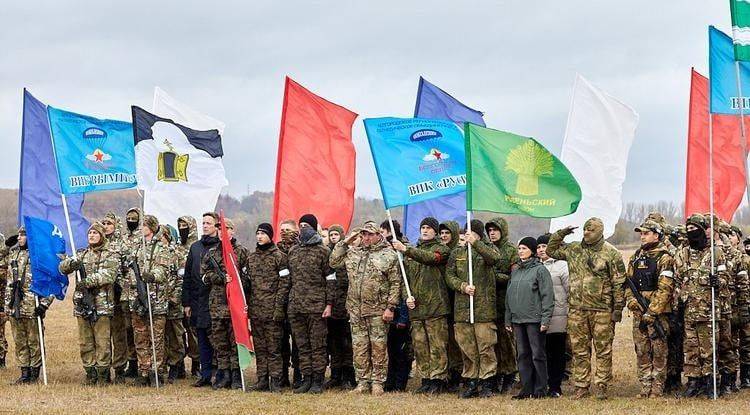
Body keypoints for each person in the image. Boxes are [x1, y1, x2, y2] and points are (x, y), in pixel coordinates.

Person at [547, 217, 626, 400]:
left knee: (603, 350)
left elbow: (619, 283)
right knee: (579, 350)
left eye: (590, 230)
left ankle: (601, 386)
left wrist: (617, 309)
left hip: (602, 311)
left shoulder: (611, 253)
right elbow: (551, 250)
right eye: (584, 229)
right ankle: (581, 386)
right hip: (577, 310)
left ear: (600, 232)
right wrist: (560, 234)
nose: (586, 233)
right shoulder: (574, 249)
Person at [330, 221, 401, 396]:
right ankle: (362, 381)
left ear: (379, 235)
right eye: (364, 234)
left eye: (370, 234)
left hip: (378, 309)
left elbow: (395, 283)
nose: (367, 237)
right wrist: (347, 241)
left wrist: (390, 308)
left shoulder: (388, 254)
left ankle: (378, 382)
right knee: (359, 347)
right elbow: (333, 261)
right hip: (355, 309)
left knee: (378, 348)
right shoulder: (353, 253)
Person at [391, 217, 451, 394]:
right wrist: (406, 297)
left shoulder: (442, 249)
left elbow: (431, 259)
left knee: (437, 345)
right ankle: (426, 378)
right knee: (420, 346)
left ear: (435, 231)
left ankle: (438, 379)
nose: (424, 230)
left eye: (428, 228)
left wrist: (406, 249)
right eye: (422, 227)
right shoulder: (413, 252)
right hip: (416, 309)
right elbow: (405, 280)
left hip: (436, 307)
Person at [445, 220, 503, 399]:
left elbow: (495, 259)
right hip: (462, 310)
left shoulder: (487, 249)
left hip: (483, 310)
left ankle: (487, 381)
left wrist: (476, 243)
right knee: (467, 348)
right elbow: (449, 275)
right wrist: (462, 286)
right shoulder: (457, 253)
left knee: (485, 347)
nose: (468, 235)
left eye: (472, 232)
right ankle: (471, 380)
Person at [279, 214, 335, 394]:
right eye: (301, 225)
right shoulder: (293, 251)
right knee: (302, 346)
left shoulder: (323, 251)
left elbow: (331, 280)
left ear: (314, 227)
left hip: (317, 307)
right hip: (296, 307)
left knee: (317, 345)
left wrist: (329, 304)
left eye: (307, 225)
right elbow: (287, 280)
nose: (303, 228)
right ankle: (307, 378)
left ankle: (318, 380)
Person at [59, 222, 118, 385]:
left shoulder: (110, 254)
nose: (91, 235)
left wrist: (88, 281)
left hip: (102, 305)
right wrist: (71, 264)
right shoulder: (81, 254)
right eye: (89, 233)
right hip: (82, 305)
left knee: (102, 341)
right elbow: (62, 268)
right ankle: (90, 373)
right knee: (85, 342)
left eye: (95, 233)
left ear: (102, 235)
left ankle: (103, 375)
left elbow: (109, 274)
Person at [674, 214, 726, 398]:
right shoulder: (683, 253)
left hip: (709, 311)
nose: (691, 232)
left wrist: (717, 281)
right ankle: (693, 381)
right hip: (689, 311)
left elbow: (726, 280)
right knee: (691, 348)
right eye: (688, 229)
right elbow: (677, 281)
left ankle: (710, 381)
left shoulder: (715, 253)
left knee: (708, 348)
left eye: (694, 228)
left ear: (703, 229)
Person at [625, 220, 675, 398]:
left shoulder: (665, 258)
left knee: (659, 351)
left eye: (646, 233)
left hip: (657, 314)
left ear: (657, 235)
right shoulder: (636, 257)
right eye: (641, 234)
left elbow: (665, 288)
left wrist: (652, 311)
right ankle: (645, 387)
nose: (642, 237)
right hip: (639, 313)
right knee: (642, 350)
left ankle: (657, 388)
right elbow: (628, 284)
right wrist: (631, 301)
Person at [505, 237, 554, 399]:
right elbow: (509, 295)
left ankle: (540, 389)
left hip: (534, 320)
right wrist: (508, 318)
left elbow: (547, 296)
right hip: (517, 320)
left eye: (524, 248)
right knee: (522, 355)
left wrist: (545, 319)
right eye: (519, 248)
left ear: (532, 251)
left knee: (537, 354)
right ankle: (526, 389)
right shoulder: (516, 270)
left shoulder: (540, 270)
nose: (520, 251)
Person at [202, 218, 249, 390]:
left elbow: (248, 277)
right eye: (219, 229)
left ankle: (237, 375)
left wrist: (235, 280)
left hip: (234, 305)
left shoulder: (242, 252)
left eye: (225, 229)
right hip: (217, 305)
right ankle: (224, 374)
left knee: (235, 341)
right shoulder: (212, 253)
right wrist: (219, 278)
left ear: (232, 231)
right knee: (220, 343)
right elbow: (204, 276)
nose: (222, 232)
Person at [6, 227, 52, 384]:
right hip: (15, 305)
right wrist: (6, 245)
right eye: (18, 234)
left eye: (23, 235)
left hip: (32, 305)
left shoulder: (39, 255)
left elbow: (50, 282)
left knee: (34, 341)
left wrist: (44, 304)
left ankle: (34, 373)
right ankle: (24, 372)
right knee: (19, 341)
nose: (19, 237)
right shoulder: (13, 253)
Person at [246, 223, 288, 392]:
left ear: (270, 236)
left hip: (272, 311)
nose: (259, 236)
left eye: (263, 233)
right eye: (257, 233)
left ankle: (276, 380)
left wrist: (279, 309)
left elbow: (284, 284)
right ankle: (262, 379)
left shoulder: (279, 257)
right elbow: (247, 284)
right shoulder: (252, 257)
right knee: (260, 348)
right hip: (256, 311)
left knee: (274, 348)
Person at [130, 215, 170, 387]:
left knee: (157, 338)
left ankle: (157, 371)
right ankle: (143, 370)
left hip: (156, 300)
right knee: (140, 337)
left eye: (145, 225)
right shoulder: (137, 247)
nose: (141, 227)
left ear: (152, 228)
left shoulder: (161, 247)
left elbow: (163, 270)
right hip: (138, 299)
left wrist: (152, 276)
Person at [182, 212, 221, 387]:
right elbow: (188, 276)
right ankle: (205, 374)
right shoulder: (195, 247)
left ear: (216, 226)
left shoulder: (221, 247)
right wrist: (187, 302)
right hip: (198, 300)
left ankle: (219, 373)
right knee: (202, 339)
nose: (205, 226)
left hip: (216, 301)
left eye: (208, 223)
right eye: (203, 223)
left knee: (218, 339)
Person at [100, 212, 137, 383]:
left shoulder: (122, 244)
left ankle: (121, 368)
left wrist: (120, 285)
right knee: (103, 335)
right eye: (104, 223)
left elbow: (128, 269)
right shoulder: (98, 243)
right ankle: (102, 368)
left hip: (118, 295)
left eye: (109, 223)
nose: (106, 226)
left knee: (120, 334)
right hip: (100, 297)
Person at [485, 217, 519, 393]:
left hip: (506, 303)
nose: (492, 233)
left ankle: (510, 374)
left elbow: (515, 277)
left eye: (495, 230)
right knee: (493, 343)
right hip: (488, 304)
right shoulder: (486, 249)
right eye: (489, 230)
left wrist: (494, 276)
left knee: (507, 342)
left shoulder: (511, 251)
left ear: (502, 231)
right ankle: (496, 374)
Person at [379, 220, 413, 393]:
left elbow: (405, 285)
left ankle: (400, 382)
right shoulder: (383, 251)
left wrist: (404, 316)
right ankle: (390, 381)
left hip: (401, 308)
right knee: (391, 350)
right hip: (386, 307)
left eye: (382, 231)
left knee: (401, 351)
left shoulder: (403, 250)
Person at [536, 233, 569, 397]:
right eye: (539, 247)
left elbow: (570, 290)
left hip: (558, 316)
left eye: (545, 246)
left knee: (556, 351)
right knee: (542, 352)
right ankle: (542, 383)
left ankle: (555, 386)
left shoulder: (562, 266)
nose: (542, 250)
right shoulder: (534, 266)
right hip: (538, 316)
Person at [324, 224, 356, 389]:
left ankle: (348, 375)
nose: (333, 237)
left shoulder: (349, 253)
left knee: (347, 343)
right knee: (334, 342)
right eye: (331, 234)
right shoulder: (326, 254)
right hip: (332, 305)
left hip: (347, 305)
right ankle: (335, 374)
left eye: (336, 234)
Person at [439, 220, 463, 391]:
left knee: (457, 342)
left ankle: (457, 374)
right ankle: (448, 374)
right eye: (442, 233)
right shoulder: (440, 251)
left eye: (447, 233)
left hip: (457, 302)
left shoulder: (458, 253)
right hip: (442, 302)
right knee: (445, 341)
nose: (444, 236)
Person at [160, 225, 186, 384]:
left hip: (173, 304)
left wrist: (173, 298)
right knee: (160, 337)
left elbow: (181, 279)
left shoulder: (177, 255)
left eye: (162, 235)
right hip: (157, 303)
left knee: (175, 336)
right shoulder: (154, 254)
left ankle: (176, 365)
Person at [175, 216, 200, 378]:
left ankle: (196, 364)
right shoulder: (175, 248)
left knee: (194, 333)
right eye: (180, 226)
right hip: (175, 297)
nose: (182, 228)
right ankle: (178, 365)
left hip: (192, 296)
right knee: (177, 334)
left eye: (185, 225)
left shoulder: (197, 247)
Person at [277, 219, 301, 388]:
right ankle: (283, 375)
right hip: (279, 302)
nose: (284, 232)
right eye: (282, 229)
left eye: (288, 229)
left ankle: (299, 375)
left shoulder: (302, 249)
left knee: (299, 343)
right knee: (281, 342)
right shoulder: (276, 250)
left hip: (298, 301)